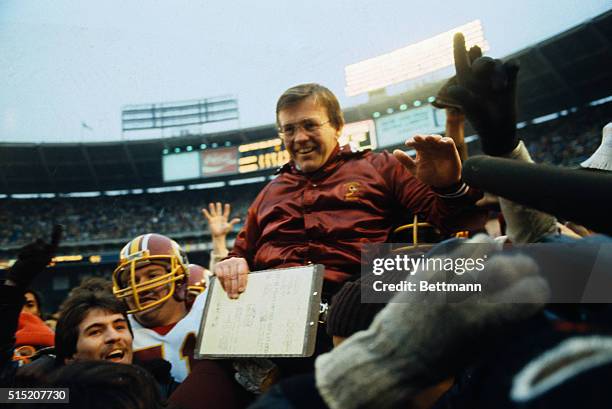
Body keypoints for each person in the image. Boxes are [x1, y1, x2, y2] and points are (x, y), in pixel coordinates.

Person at [215, 83, 484, 300]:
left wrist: (447, 186)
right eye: (289, 130)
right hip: (271, 310)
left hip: (356, 303)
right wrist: (232, 263)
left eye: (310, 125)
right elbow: (239, 254)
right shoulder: (268, 193)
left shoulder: (380, 166)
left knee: (497, 273)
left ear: (338, 127)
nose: (299, 138)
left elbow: (452, 220)